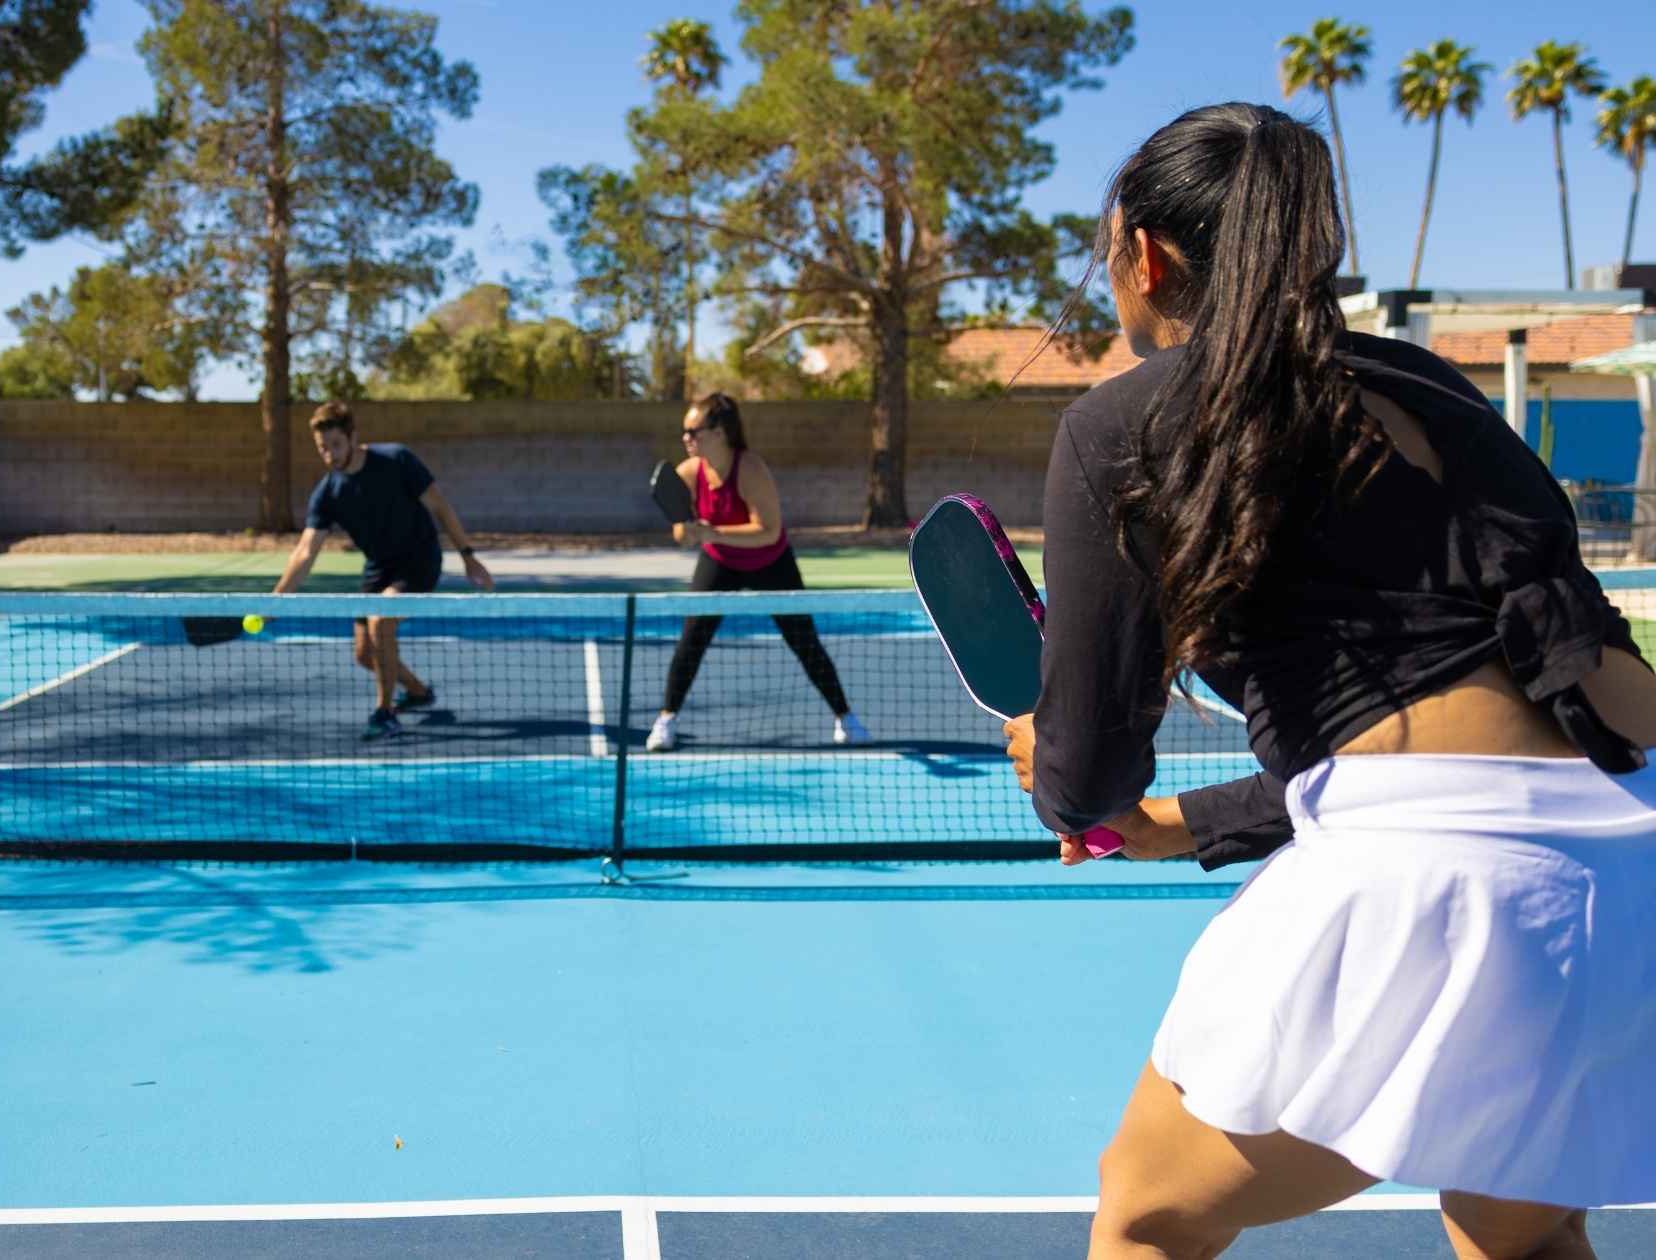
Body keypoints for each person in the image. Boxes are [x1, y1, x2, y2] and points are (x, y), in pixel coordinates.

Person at [1005, 102, 1655, 1259]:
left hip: (1431, 876)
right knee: (1516, 1228)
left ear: (1145, 256)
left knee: (1146, 1215)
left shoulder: (1122, 424)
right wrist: (1173, 827)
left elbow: (1089, 761)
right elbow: (1499, 719)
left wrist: (1062, 785)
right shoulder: (1449, 400)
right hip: (1632, 858)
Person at [645, 393, 872, 752]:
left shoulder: (751, 470)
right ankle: (666, 721)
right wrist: (688, 531)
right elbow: (680, 530)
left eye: (693, 430)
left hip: (770, 561)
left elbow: (767, 529)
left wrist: (712, 532)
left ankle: (847, 719)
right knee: (691, 640)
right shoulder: (688, 473)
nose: (685, 438)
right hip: (720, 562)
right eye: (684, 431)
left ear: (719, 432)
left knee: (804, 642)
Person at [273, 401, 495, 740]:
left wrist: (468, 555)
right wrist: (278, 600)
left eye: (335, 445)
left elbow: (440, 504)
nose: (329, 455)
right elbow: (305, 551)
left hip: (419, 561)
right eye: (322, 448)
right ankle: (419, 692)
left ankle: (385, 712)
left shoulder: (396, 459)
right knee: (364, 654)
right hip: (379, 567)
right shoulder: (328, 492)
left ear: (352, 437)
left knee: (380, 620)